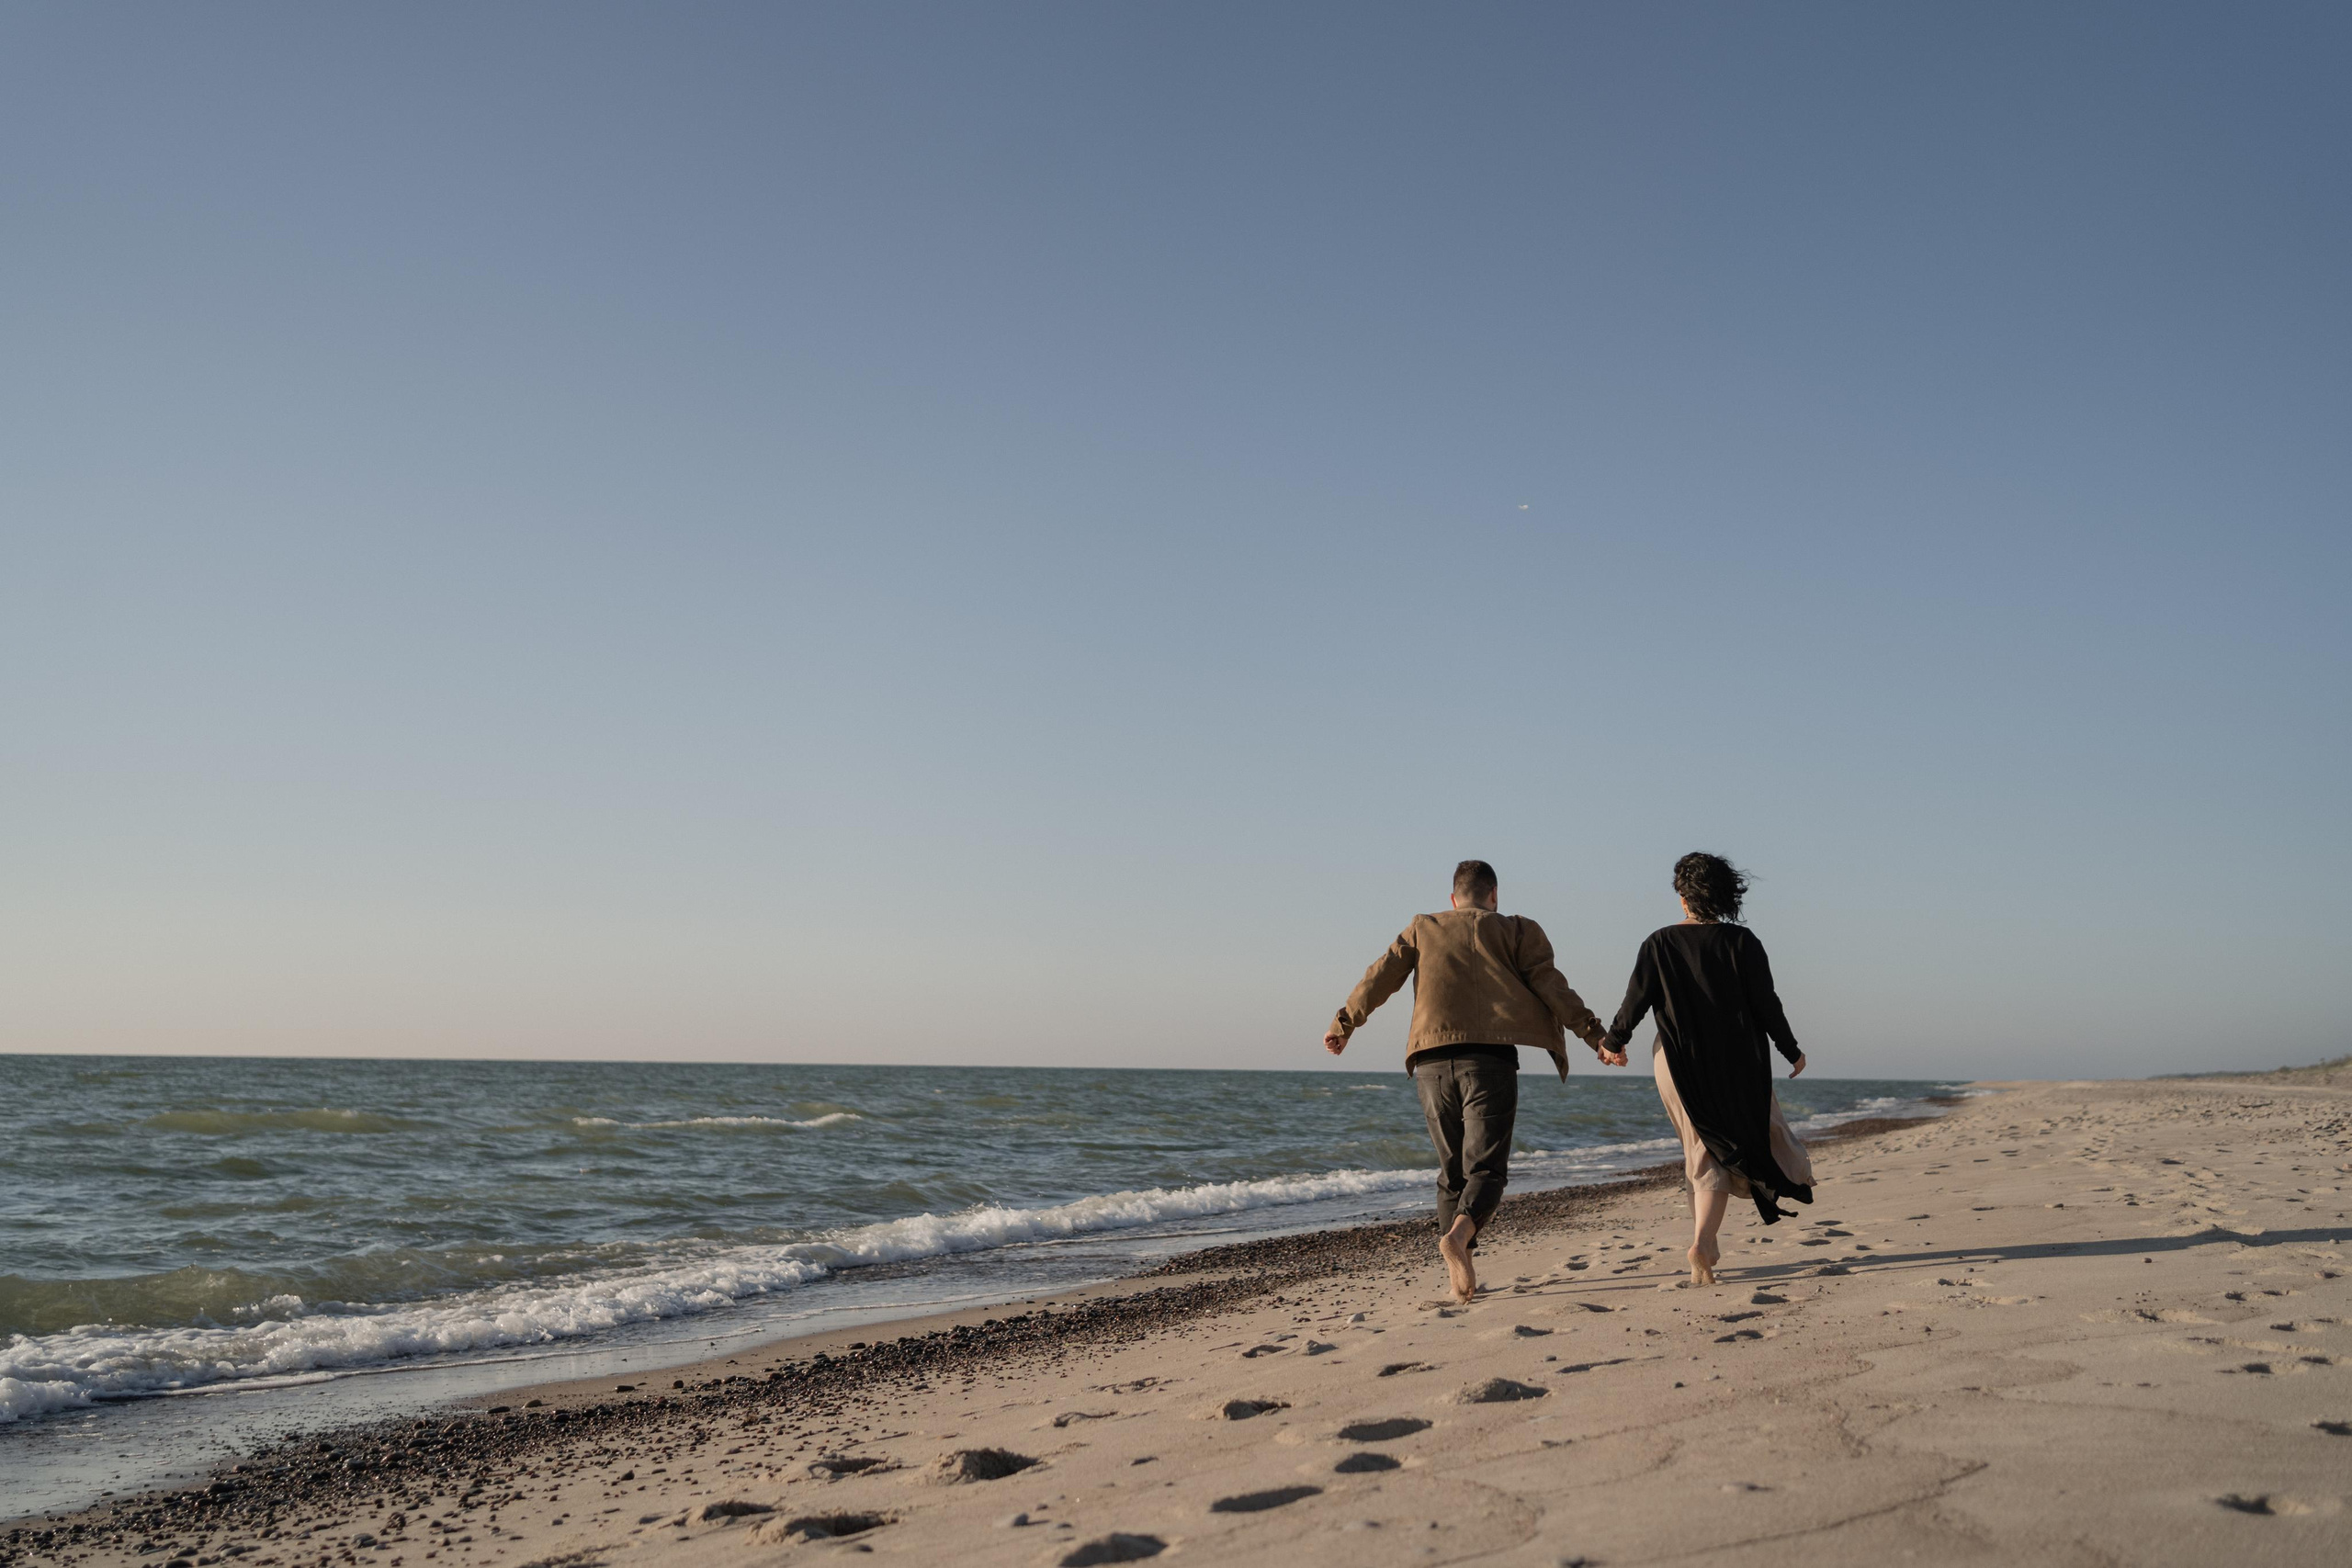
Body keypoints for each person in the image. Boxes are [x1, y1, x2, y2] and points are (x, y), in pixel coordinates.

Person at [1325, 860, 1623, 1301]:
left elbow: (1381, 975)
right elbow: (1552, 986)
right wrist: (1597, 1036)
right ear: (1494, 895)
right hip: (1489, 1060)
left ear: (1453, 898)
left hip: (1429, 1063)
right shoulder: (1518, 931)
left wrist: (1344, 1023)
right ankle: (1459, 1238)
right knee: (1486, 1169)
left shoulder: (1423, 927)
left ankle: (1459, 1282)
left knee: (1451, 1174)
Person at [1602, 852, 1814, 1286]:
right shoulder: (1744, 942)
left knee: (1701, 1148)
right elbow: (1766, 1005)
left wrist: (1613, 1043)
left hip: (1676, 1061)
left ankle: (1706, 1240)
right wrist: (1791, 1049)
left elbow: (1634, 1003)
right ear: (1722, 895)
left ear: (1683, 897)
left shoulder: (1658, 942)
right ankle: (1704, 1240)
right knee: (1725, 1143)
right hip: (1739, 1061)